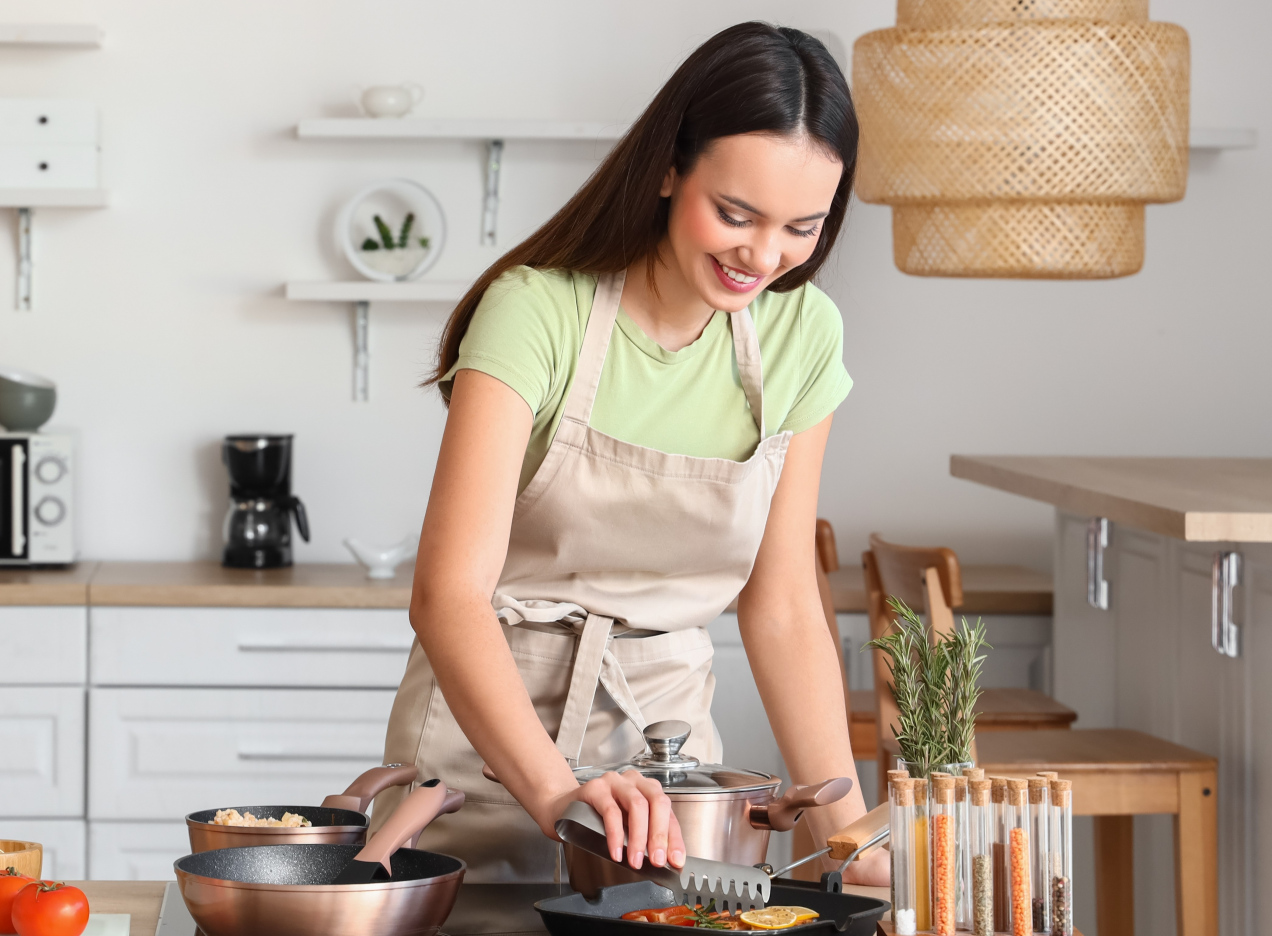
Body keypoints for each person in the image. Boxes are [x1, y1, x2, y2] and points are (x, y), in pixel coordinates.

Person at [373, 20, 887, 886]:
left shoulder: (804, 333)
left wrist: (852, 841)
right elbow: (447, 596)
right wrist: (557, 793)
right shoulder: (536, 312)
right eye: (735, 214)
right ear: (666, 167)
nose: (763, 256)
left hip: (677, 780)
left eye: (803, 226)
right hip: (483, 760)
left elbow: (784, 601)